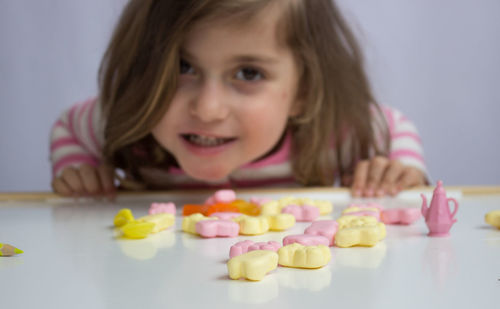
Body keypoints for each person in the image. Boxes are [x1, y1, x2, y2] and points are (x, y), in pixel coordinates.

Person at [50, 0, 427, 199]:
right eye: (182, 67)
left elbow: (395, 128)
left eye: (248, 73)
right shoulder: (128, 119)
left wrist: (399, 171)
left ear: (305, 90)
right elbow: (69, 126)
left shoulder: (334, 132)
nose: (207, 108)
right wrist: (81, 168)